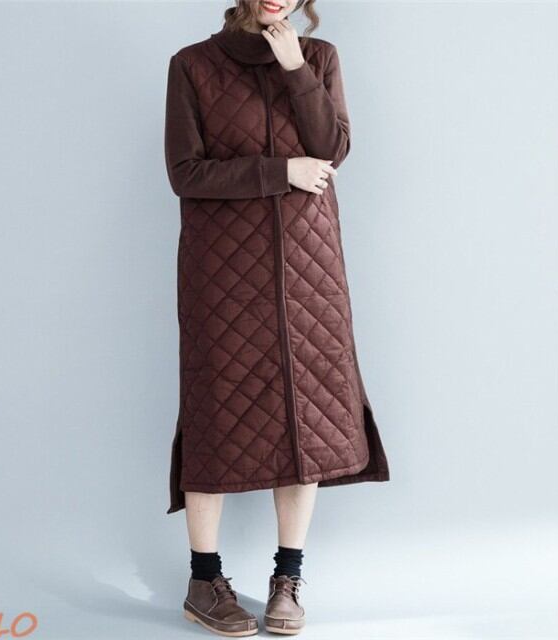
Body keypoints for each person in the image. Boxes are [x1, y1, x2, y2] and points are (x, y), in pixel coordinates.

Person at [163, 1, 390, 636]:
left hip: (309, 266)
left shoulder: (318, 57)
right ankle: (203, 580)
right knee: (216, 411)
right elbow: (185, 172)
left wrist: (296, 69)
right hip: (220, 269)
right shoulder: (192, 65)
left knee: (305, 412)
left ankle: (287, 578)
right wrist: (280, 171)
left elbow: (333, 148)